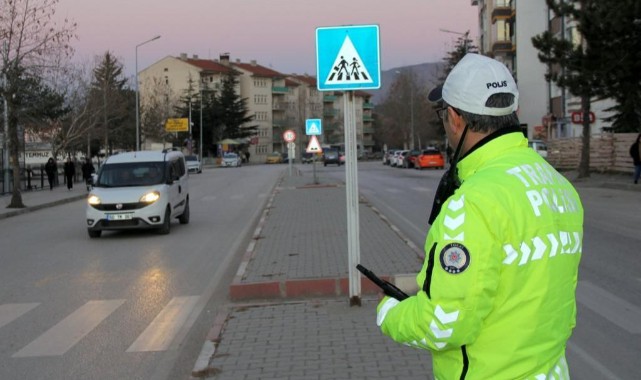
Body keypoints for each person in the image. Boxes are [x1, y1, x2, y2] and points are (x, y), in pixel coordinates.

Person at [376, 54, 584, 379]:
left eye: (443, 115)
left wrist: (390, 312)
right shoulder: (559, 186)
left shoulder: (473, 203)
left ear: (456, 118)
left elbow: (445, 324)